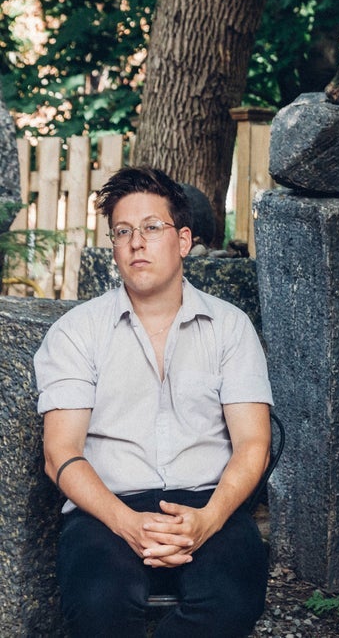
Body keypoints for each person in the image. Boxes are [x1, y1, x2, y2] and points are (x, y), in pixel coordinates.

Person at [35, 166, 273, 637]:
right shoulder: (77, 332)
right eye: (123, 231)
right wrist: (127, 522)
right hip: (107, 507)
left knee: (231, 599)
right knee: (98, 604)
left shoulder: (230, 327)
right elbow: (59, 453)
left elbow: (253, 444)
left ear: (183, 241)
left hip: (210, 502)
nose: (136, 243)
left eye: (151, 227)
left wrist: (208, 519)